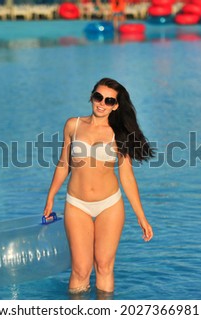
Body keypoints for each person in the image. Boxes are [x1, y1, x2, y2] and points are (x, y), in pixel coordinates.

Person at [43, 78, 154, 297]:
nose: (101, 103)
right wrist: (50, 197)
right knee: (80, 270)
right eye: (98, 97)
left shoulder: (119, 133)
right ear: (91, 96)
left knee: (104, 267)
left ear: (116, 105)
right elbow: (63, 164)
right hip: (77, 204)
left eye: (109, 100)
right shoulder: (72, 125)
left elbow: (127, 177)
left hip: (109, 205)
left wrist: (141, 216)